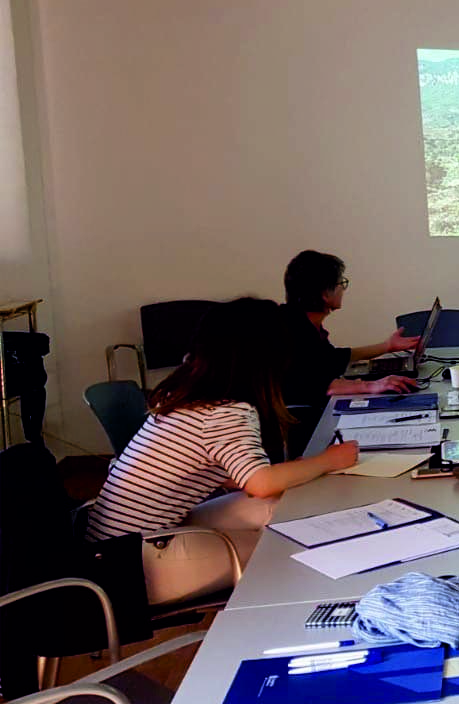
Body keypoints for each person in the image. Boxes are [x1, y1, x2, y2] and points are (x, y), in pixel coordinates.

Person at [87, 297, 360, 606]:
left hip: (114, 547)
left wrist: (292, 471)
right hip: (132, 568)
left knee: (280, 506)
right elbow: (259, 482)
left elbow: (235, 476)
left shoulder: (186, 392)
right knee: (288, 546)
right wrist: (326, 461)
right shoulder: (227, 412)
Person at [280, 249, 420, 408]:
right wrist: (372, 386)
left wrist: (387, 346)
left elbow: (333, 358)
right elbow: (313, 384)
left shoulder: (299, 321)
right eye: (341, 284)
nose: (343, 290)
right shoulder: (289, 332)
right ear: (325, 294)